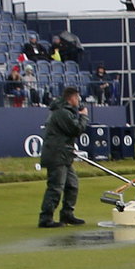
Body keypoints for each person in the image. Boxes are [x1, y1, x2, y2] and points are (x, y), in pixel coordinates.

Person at [37, 87, 89, 229]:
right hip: (57, 155)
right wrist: (84, 116)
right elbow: (75, 129)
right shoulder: (62, 113)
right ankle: (46, 218)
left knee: (72, 185)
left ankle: (67, 213)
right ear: (71, 98)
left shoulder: (64, 111)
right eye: (77, 98)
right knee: (55, 187)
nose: (78, 101)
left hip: (64, 155)